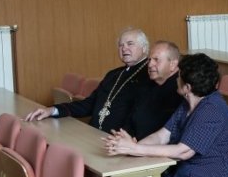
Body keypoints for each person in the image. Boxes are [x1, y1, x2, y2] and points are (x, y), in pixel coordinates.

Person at [25, 29, 153, 133]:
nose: (124, 48)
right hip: (94, 135)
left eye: (130, 44)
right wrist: (52, 110)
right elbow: (88, 104)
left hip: (121, 142)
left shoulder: (150, 76)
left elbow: (142, 118)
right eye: (121, 45)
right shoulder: (113, 74)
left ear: (144, 48)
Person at [126, 40, 184, 140]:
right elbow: (132, 118)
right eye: (149, 60)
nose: (149, 65)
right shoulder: (145, 85)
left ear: (173, 64)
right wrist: (126, 136)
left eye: (156, 60)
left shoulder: (181, 90)